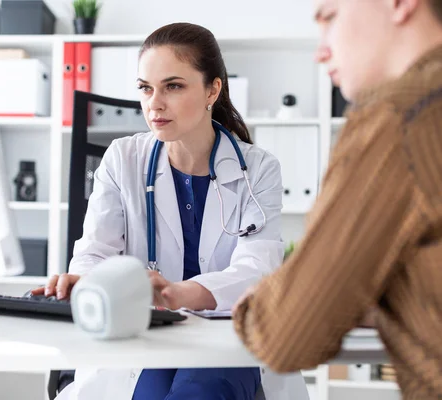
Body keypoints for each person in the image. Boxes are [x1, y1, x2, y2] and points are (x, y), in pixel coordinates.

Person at [31, 23, 308, 400]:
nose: (154, 103)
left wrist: (179, 294)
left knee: (202, 389)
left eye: (172, 86)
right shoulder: (122, 159)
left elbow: (257, 271)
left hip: (225, 338)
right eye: (146, 88)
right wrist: (88, 282)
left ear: (213, 89)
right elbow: (95, 253)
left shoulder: (257, 169)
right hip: (146, 334)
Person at [232, 0, 442, 398]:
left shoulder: (399, 115)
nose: (321, 51)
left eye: (330, 18)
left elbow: (287, 334)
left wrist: (254, 305)